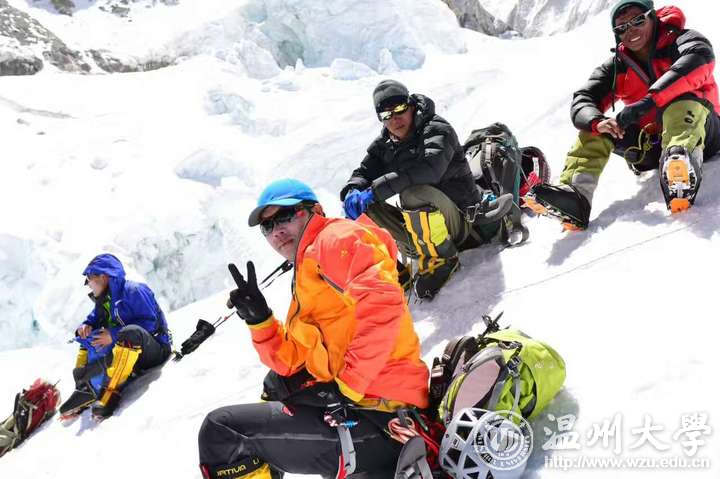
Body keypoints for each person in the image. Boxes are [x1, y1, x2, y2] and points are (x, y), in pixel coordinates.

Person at [197, 179, 430, 479]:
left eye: (285, 216)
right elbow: (291, 362)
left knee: (222, 432)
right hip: (362, 407)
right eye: (267, 226)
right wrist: (260, 320)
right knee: (276, 385)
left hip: (382, 415)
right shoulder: (309, 265)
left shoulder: (335, 239)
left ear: (315, 211)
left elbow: (383, 308)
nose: (277, 230)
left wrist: (348, 387)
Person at [528, 0, 720, 229]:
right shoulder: (618, 66)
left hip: (704, 133)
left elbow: (699, 59)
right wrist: (597, 122)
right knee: (598, 128)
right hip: (652, 146)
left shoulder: (681, 40)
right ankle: (575, 197)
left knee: (681, 103)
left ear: (653, 17)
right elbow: (584, 99)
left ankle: (681, 166)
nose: (630, 30)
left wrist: (648, 101)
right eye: (622, 27)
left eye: (638, 20)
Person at [340, 80, 513, 299]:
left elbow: (430, 169)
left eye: (399, 109)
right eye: (386, 114)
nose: (394, 118)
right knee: (360, 207)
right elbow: (363, 172)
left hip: (465, 225)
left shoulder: (437, 129)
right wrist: (352, 191)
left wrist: (374, 190)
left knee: (413, 193)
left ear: (411, 105)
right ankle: (394, 270)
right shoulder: (386, 143)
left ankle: (443, 259)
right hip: (426, 233)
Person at [58, 253, 171, 419]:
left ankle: (110, 393)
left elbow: (150, 324)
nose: (88, 284)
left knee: (129, 333)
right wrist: (86, 326)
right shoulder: (106, 300)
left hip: (155, 349)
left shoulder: (134, 291)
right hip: (132, 353)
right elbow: (94, 318)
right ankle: (85, 387)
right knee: (89, 337)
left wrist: (113, 334)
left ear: (103, 277)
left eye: (89, 279)